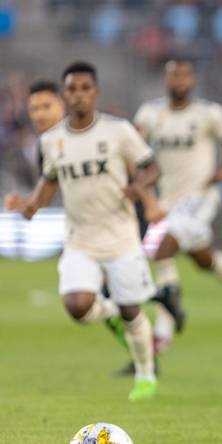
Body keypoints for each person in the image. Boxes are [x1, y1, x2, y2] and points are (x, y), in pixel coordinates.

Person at [4, 62, 161, 401]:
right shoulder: (52, 141)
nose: (78, 95)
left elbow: (151, 168)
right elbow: (49, 182)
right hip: (80, 239)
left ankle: (146, 374)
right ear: (65, 95)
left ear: (95, 92)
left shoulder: (118, 131)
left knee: (133, 310)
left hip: (121, 236)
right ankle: (114, 313)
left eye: (84, 88)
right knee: (77, 306)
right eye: (71, 89)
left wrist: (140, 189)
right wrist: (29, 206)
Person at [134, 58, 222, 350]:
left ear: (192, 80)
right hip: (167, 200)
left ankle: (163, 332)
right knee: (202, 258)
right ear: (165, 80)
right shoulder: (149, 114)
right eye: (173, 75)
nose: (178, 80)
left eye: (184, 75)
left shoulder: (208, 113)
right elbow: (135, 151)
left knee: (162, 247)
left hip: (200, 197)